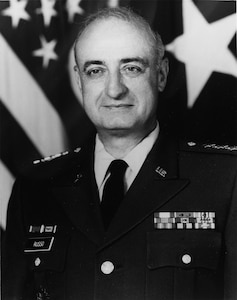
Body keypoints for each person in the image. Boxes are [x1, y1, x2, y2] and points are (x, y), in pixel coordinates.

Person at [2, 6, 237, 300]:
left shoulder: (226, 181)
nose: (114, 89)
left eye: (132, 68)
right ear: (79, 80)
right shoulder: (34, 189)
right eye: (96, 71)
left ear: (161, 74)